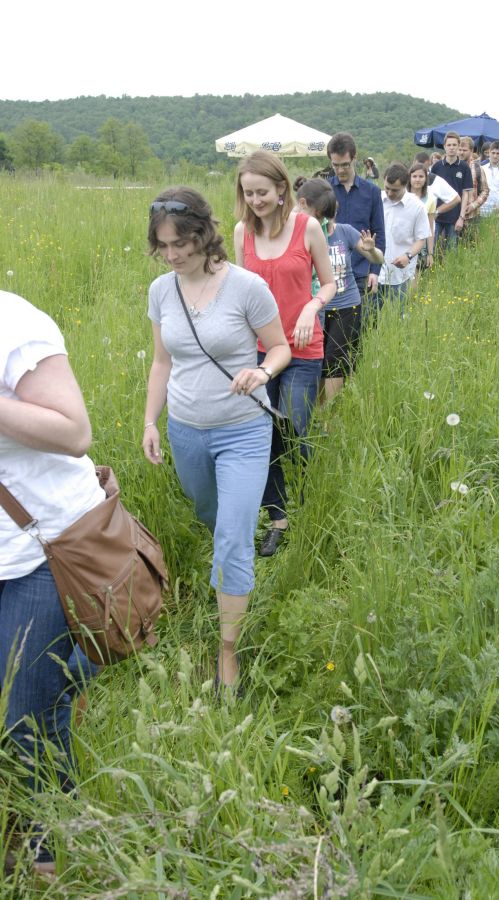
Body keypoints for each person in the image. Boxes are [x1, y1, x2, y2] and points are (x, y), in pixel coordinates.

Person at [143, 187, 291, 688]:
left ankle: (228, 648)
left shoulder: (246, 287)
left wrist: (262, 373)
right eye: (163, 245)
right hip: (185, 430)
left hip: (243, 430)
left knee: (230, 536)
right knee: (212, 515)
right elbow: (162, 362)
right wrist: (149, 422)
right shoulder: (162, 291)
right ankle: (235, 551)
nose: (172, 254)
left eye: (180, 242)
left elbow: (279, 349)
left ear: (203, 234)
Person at [1, 289, 106, 876]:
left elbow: (74, 432)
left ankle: (48, 848)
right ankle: (72, 664)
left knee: (27, 713)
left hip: (42, 549)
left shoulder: (11, 321)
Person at [233, 152, 336, 557]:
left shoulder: (307, 227)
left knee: (294, 425)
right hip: (260, 351)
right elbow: (240, 294)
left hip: (304, 347)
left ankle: (310, 491)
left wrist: (312, 306)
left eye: (262, 192)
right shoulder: (243, 233)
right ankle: (279, 517)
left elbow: (328, 283)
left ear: (281, 189)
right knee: (265, 435)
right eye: (248, 193)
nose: (256, 200)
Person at [296, 178, 384, 400]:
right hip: (315, 307)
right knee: (317, 359)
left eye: (328, 214)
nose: (325, 219)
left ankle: (329, 414)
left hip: (346, 305)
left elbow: (378, 257)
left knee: (336, 360)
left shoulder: (345, 232)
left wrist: (371, 251)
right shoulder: (301, 235)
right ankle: (315, 405)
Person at [326, 132, 385, 300]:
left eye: (345, 164)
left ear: (354, 158)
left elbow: (379, 233)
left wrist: (375, 271)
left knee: (360, 325)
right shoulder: (325, 190)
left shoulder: (372, 192)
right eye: (335, 165)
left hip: (361, 272)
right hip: (329, 273)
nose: (340, 170)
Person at [378, 163, 430, 307]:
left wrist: (408, 256)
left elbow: (421, 238)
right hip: (376, 272)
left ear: (405, 186)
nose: (389, 193)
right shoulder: (377, 200)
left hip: (400, 274)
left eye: (394, 190)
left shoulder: (417, 207)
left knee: (396, 316)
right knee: (370, 317)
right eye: (387, 188)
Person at [430, 131, 473, 251]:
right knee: (431, 248)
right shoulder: (437, 166)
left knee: (451, 250)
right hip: (436, 214)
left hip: (454, 217)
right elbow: (430, 191)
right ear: (444, 146)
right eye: (449, 145)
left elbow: (465, 194)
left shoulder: (464, 167)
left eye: (454, 145)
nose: (452, 148)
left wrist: (461, 217)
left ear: (459, 146)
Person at [458, 136, 489, 238]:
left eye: (465, 150)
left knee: (471, 248)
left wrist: (473, 205)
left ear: (471, 151)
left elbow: (485, 191)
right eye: (460, 149)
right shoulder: (452, 167)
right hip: (453, 216)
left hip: (472, 216)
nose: (461, 152)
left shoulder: (477, 169)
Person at [408, 162, 436, 272]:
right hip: (402, 243)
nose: (417, 179)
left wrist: (430, 253)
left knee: (414, 286)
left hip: (420, 246)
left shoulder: (431, 199)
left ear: (426, 178)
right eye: (414, 176)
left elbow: (430, 228)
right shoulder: (402, 195)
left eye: (421, 176)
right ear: (409, 178)